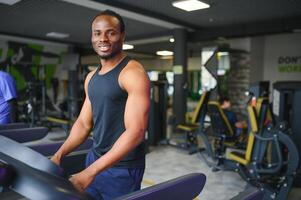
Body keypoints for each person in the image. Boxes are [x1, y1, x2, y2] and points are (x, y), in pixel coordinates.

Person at [51, 10, 150, 200]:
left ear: (122, 35)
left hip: (122, 168)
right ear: (92, 36)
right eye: (97, 33)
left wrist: (90, 172)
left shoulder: (132, 74)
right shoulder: (91, 77)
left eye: (110, 32)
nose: (103, 38)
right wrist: (59, 155)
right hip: (94, 159)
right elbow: (83, 123)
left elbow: (136, 132)